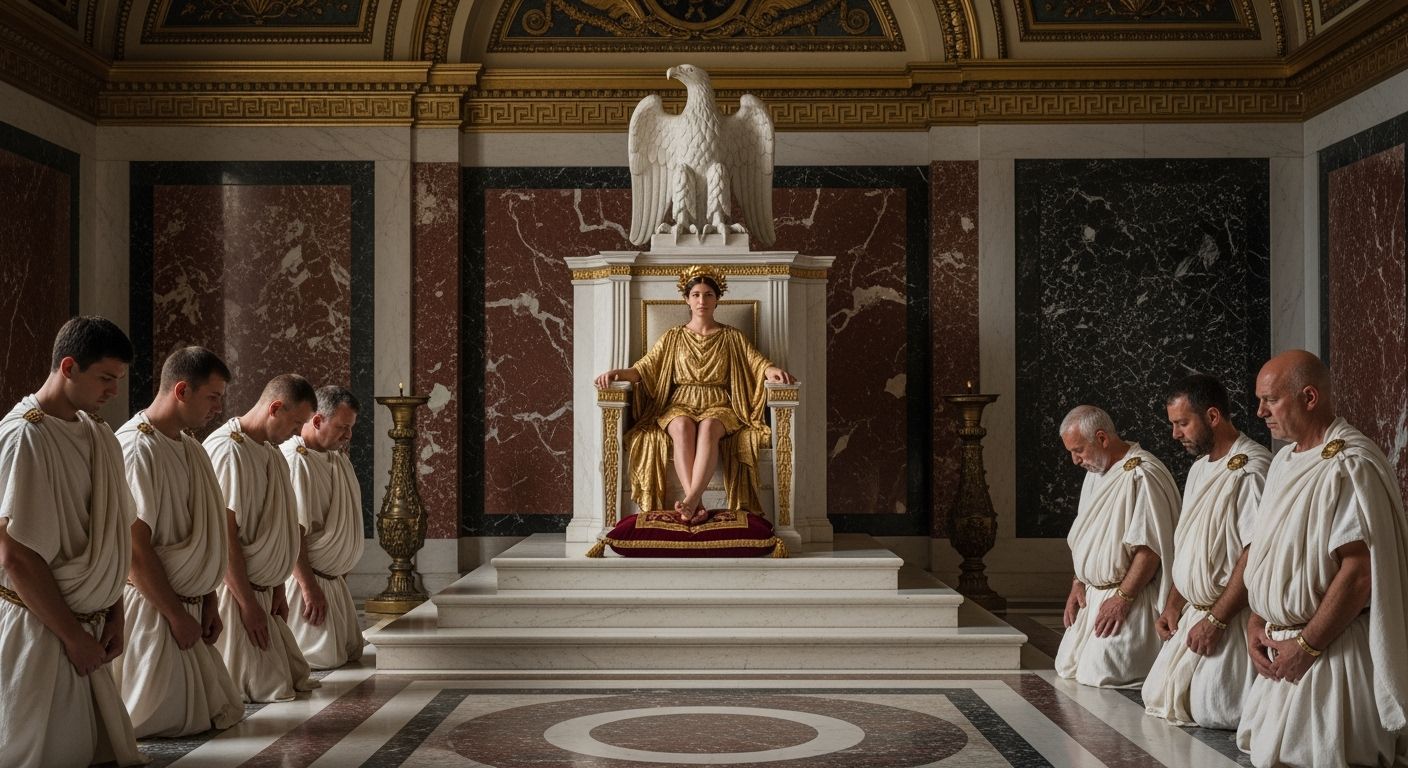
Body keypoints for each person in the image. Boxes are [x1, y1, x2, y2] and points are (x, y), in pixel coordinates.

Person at [1238, 350, 1408, 767]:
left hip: (1331, 664)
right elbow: (1267, 551)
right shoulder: (1282, 461)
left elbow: (1359, 574)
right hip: (1282, 655)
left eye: (1270, 399)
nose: (1259, 411)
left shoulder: (1349, 464)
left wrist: (1307, 646)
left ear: (1309, 398)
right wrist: (1257, 619)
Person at [0, 316, 146, 766]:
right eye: (105, 378)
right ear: (67, 366)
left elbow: (113, 537)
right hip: (39, 629)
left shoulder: (99, 434)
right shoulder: (25, 435)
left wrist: (116, 613)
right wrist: (72, 636)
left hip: (89, 626)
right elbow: (15, 555)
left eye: (117, 380)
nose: (112, 391)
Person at [594, 265, 794, 524]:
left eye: (708, 294)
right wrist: (617, 373)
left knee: (710, 427)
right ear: (687, 299)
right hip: (680, 403)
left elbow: (755, 362)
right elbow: (644, 368)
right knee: (681, 427)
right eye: (697, 295)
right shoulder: (673, 337)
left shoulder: (732, 336)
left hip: (718, 404)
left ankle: (689, 502)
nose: (702, 300)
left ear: (718, 299)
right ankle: (695, 502)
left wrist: (772, 370)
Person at [115, 346, 244, 737]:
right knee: (157, 722)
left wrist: (208, 599)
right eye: (213, 397)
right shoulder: (137, 448)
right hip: (154, 611)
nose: (218, 408)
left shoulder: (191, 447)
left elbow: (204, 535)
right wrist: (175, 615)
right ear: (182, 391)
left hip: (188, 607)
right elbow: (136, 550)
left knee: (207, 718)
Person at [1142, 374, 1269, 729]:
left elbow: (1255, 554)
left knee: (1214, 711)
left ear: (1212, 416)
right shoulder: (1200, 469)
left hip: (1229, 618)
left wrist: (1216, 620)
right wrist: (1173, 603)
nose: (1175, 434)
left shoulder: (1251, 470)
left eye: (1183, 423)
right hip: (1193, 617)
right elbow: (1192, 545)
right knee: (1157, 695)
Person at [205, 373, 319, 703]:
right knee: (264, 689)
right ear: (275, 407)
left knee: (293, 677)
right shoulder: (228, 451)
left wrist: (277, 587)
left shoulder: (270, 452)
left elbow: (275, 528)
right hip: (237, 596)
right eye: (296, 422)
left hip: (264, 594)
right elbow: (225, 537)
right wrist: (248, 603)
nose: (298, 432)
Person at [1055, 404, 1180, 688]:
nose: (1075, 461)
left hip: (1130, 596)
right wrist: (1078, 582)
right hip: (1094, 596)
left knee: (1100, 673)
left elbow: (1151, 549)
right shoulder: (1095, 474)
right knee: (1068, 666)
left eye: (1078, 451)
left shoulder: (1142, 474)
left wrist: (1122, 600)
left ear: (1101, 438)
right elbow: (1088, 537)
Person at [283, 385, 365, 670]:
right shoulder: (296, 461)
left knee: (348, 654)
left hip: (332, 583)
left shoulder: (335, 458)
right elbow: (292, 533)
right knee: (319, 659)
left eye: (350, 428)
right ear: (317, 421)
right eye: (343, 427)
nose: (349, 436)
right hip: (306, 582)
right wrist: (308, 587)